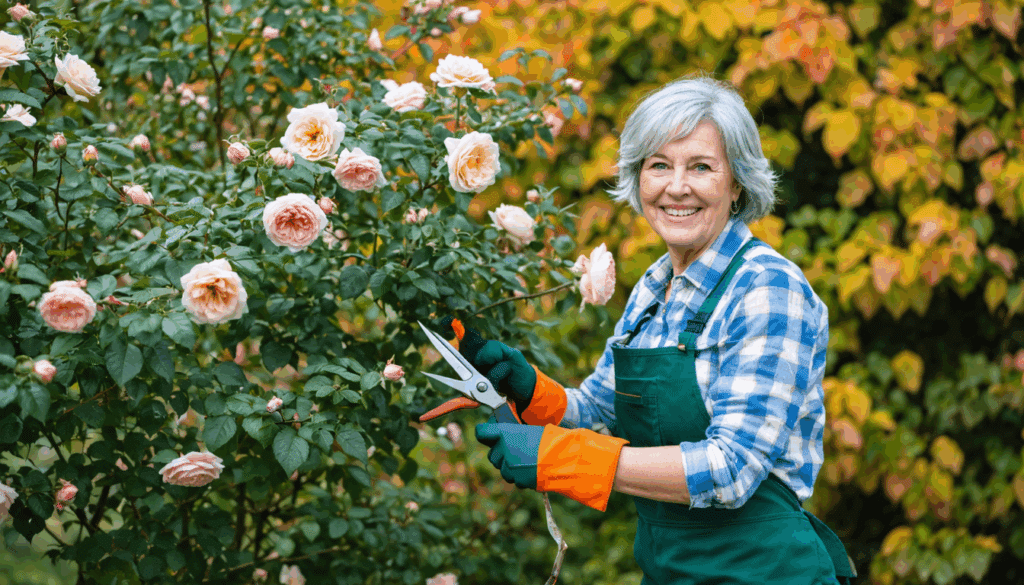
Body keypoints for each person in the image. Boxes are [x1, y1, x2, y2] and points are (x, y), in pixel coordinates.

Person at [438, 76, 857, 584]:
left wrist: (564, 457)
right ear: (639, 179)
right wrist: (531, 394)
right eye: (659, 165)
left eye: (701, 167)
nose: (676, 186)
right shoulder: (655, 289)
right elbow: (600, 411)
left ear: (738, 183)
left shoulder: (766, 288)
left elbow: (732, 468)